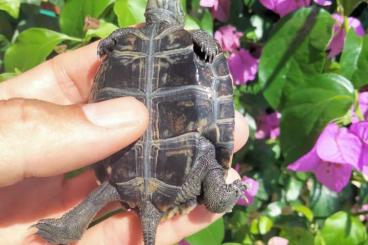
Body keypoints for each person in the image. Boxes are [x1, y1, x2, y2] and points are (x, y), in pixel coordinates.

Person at [0, 42, 249, 245]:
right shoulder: (188, 41)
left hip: (125, 174)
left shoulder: (128, 40)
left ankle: (68, 227)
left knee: (112, 187)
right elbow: (209, 58)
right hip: (184, 172)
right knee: (208, 160)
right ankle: (69, 228)